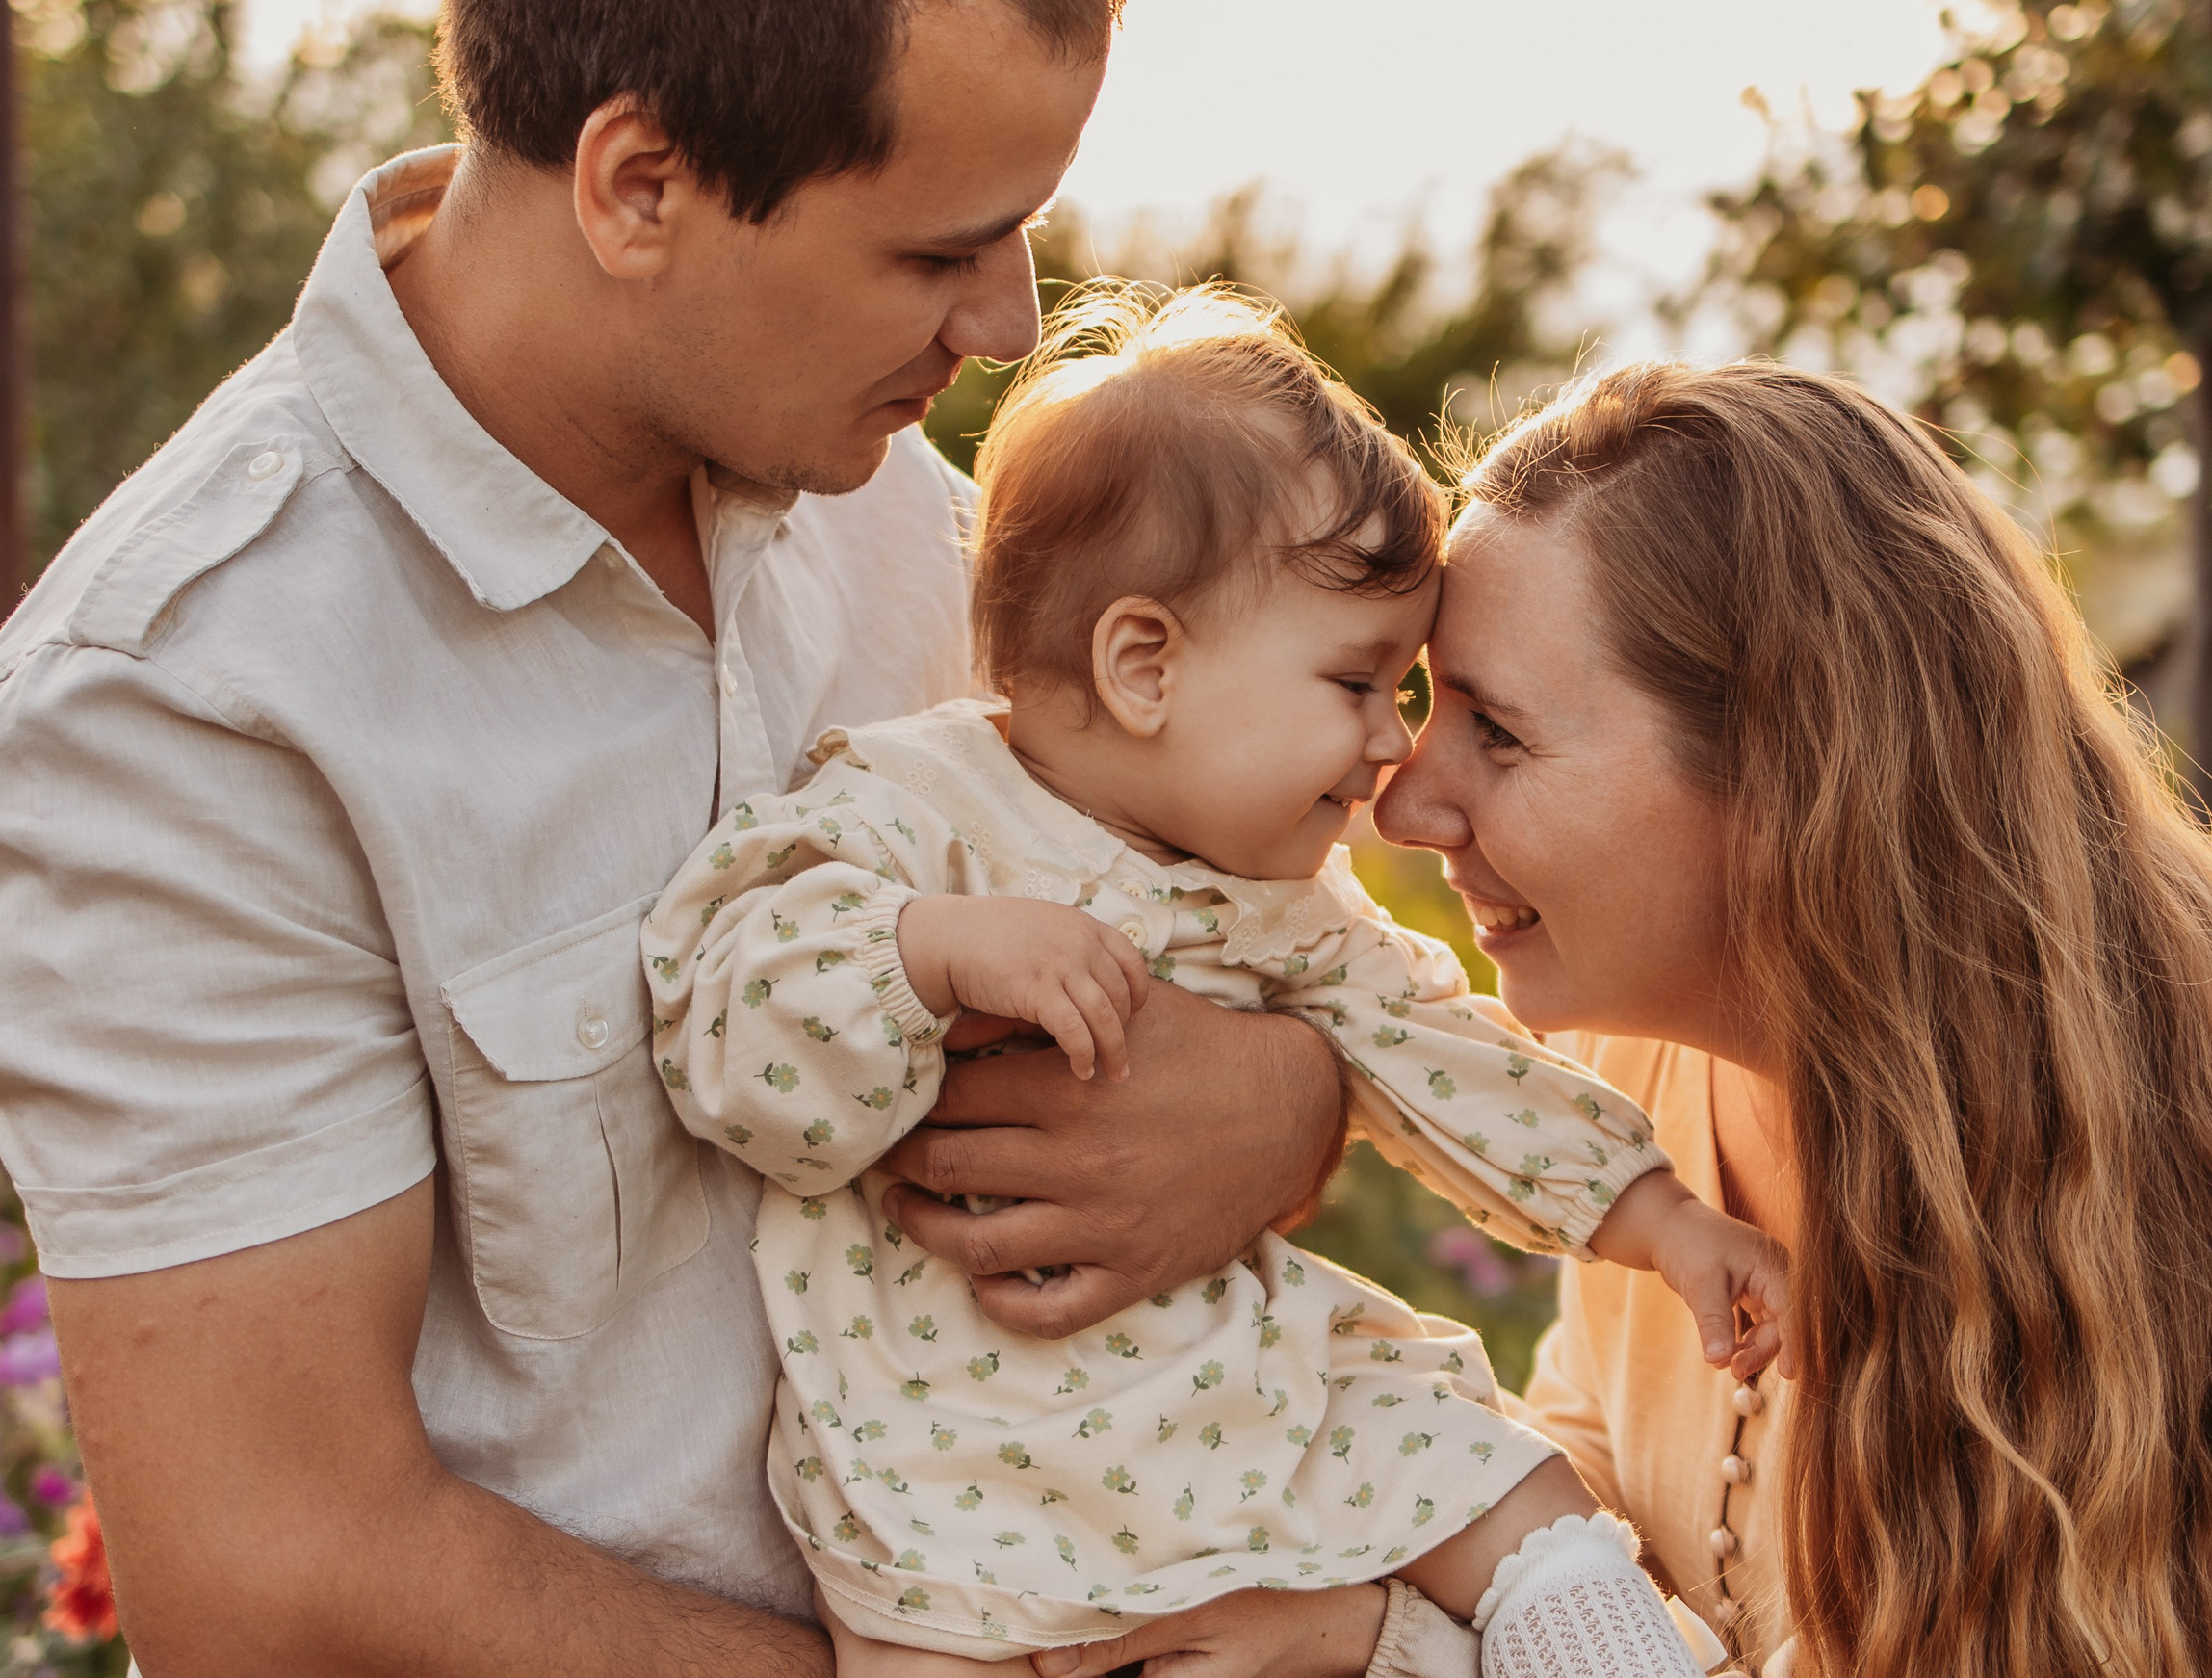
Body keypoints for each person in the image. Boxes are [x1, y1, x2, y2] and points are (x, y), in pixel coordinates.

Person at [0, 4, 1363, 1671]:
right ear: (639, 187)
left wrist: (1285, 1105)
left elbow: (1266, 935)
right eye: (941, 250)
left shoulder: (890, 498)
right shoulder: (184, 704)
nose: (1009, 325)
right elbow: (276, 1572)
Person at [1046, 358, 2212, 1678]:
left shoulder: (2137, 1208)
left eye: (1501, 732)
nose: (1404, 802)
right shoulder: (1645, 1073)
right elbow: (1587, 1494)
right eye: (1423, 705)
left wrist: (1384, 1641)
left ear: (1792, 778)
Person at [641, 285, 1785, 1676]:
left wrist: (1660, 1218)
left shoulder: (1293, 908)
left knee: (1499, 1480)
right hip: (945, 1445)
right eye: (1360, 683)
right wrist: (924, 952)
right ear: (1145, 666)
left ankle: (1604, 1648)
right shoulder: (905, 811)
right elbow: (729, 1034)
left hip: (1237, 1389)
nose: (1393, 749)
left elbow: (1449, 1053)